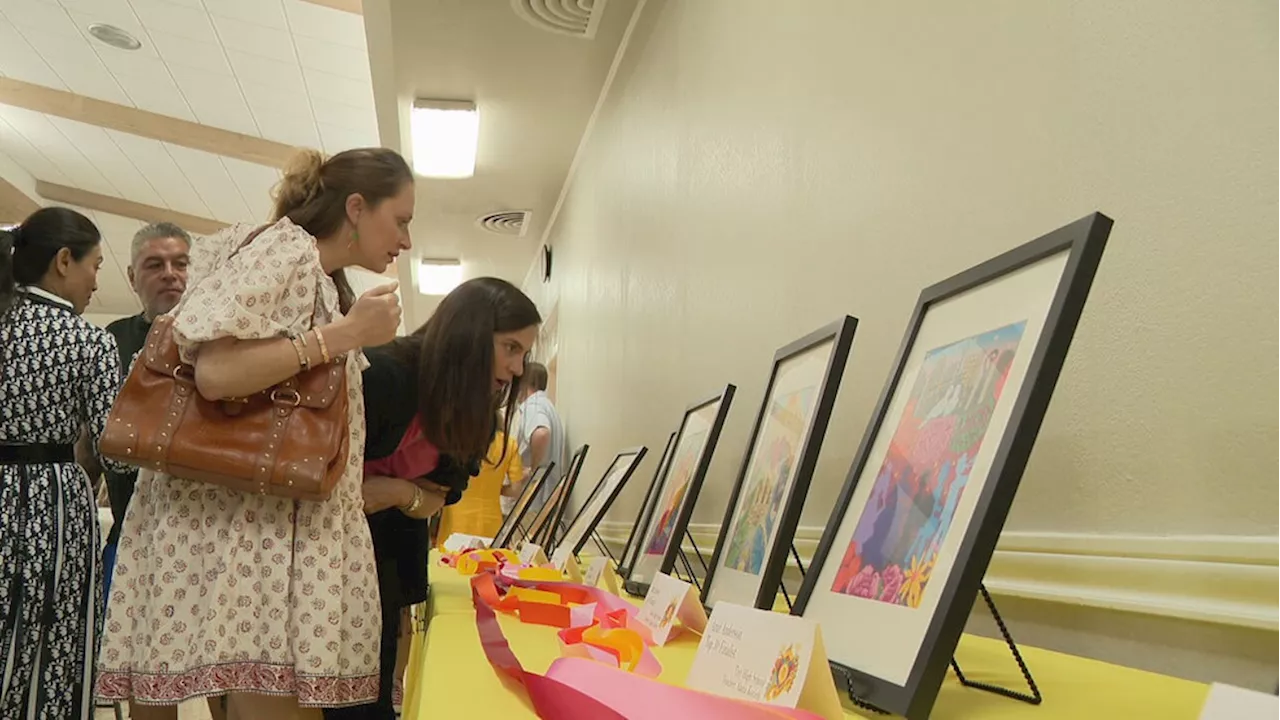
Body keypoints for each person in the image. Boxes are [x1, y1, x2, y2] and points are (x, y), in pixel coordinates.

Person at [96, 147, 411, 719]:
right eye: (402, 220)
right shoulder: (288, 249)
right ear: (358, 207)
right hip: (244, 526)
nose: (406, 241)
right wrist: (345, 335)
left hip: (260, 519)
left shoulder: (317, 273)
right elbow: (216, 372)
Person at [327, 277, 541, 720]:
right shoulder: (383, 374)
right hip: (326, 559)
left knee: (371, 696)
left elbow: (438, 498)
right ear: (473, 335)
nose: (519, 368)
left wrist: (396, 492)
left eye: (525, 353)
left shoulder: (478, 415)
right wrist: (409, 495)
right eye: (511, 348)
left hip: (383, 564)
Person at [0, 207, 126, 718]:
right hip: (51, 503)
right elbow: (114, 453)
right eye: (95, 266)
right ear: (64, 260)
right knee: (53, 633)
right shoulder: (88, 340)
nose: (98, 281)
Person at [101, 222, 190, 584]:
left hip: (196, 534)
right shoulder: (112, 340)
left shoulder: (220, 345)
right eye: (155, 265)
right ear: (131, 276)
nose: (170, 275)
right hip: (128, 533)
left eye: (180, 264)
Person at [437, 428, 523, 544]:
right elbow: (516, 490)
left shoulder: (455, 439)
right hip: (490, 523)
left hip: (455, 520)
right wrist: (495, 489)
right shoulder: (509, 443)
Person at [516, 361, 565, 507]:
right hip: (547, 495)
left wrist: (532, 470)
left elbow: (541, 434)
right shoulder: (549, 407)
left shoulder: (533, 406)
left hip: (532, 498)